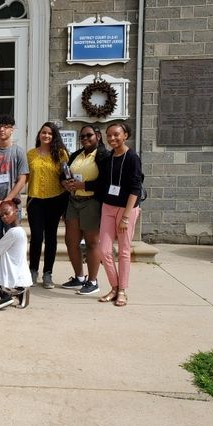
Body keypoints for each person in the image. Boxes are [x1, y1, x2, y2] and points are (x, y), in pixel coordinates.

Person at [97, 122, 143, 307]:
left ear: (125, 135)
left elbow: (136, 187)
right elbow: (101, 184)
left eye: (116, 134)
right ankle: (114, 287)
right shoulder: (108, 158)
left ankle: (122, 290)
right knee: (104, 250)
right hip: (108, 207)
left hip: (127, 209)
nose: (112, 138)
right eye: (109, 135)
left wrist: (125, 216)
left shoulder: (132, 157)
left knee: (124, 251)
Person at [61, 124, 108, 296]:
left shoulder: (103, 156)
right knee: (70, 241)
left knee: (91, 243)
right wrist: (65, 183)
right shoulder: (77, 155)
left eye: (89, 136)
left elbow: (105, 183)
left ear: (98, 136)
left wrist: (83, 185)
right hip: (74, 201)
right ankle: (79, 277)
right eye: (82, 137)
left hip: (92, 202)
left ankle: (93, 281)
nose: (85, 139)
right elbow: (65, 174)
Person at [26, 122, 69, 288]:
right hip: (35, 200)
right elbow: (24, 177)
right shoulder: (30, 154)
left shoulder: (61, 154)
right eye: (44, 133)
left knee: (51, 237)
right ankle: (33, 270)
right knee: (37, 236)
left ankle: (47, 273)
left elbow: (66, 176)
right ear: (39, 134)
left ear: (54, 136)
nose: (46, 136)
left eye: (50, 134)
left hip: (55, 199)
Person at [0, 114, 29, 238]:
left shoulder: (19, 152)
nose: (1, 130)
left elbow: (23, 179)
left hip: (12, 206)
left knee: (13, 240)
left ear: (12, 129)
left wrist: (7, 200)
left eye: (5, 127)